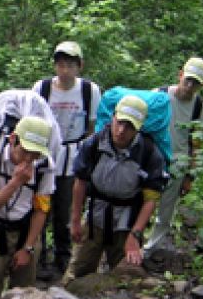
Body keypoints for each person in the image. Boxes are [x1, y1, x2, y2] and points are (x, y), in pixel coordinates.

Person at [62, 96, 167, 285]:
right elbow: (80, 182)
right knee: (78, 271)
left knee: (124, 276)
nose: (121, 131)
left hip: (127, 221)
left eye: (129, 127)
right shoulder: (94, 144)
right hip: (95, 216)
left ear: (139, 127)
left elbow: (151, 198)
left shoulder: (149, 153)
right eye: (119, 123)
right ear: (112, 117)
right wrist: (76, 220)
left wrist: (135, 235)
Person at [0, 116, 55, 299]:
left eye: (35, 154)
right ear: (12, 139)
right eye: (24, 151)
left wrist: (28, 248)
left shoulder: (44, 166)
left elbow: (41, 209)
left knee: (25, 286)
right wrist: (15, 182)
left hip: (26, 227)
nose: (28, 159)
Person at [32, 41, 101, 273]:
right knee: (40, 206)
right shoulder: (41, 88)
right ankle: (38, 257)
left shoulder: (89, 91)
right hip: (44, 154)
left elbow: (92, 127)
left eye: (70, 65)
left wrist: (88, 160)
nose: (64, 70)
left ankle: (62, 258)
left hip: (73, 155)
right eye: (60, 64)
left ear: (79, 66)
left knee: (65, 210)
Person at [144, 57, 203, 254]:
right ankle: (128, 244)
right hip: (150, 159)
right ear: (180, 74)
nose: (189, 86)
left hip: (177, 163)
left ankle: (150, 249)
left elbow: (197, 145)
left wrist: (190, 175)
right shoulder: (159, 95)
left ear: (201, 85)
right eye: (188, 79)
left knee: (165, 211)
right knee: (138, 202)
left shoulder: (201, 110)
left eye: (195, 83)